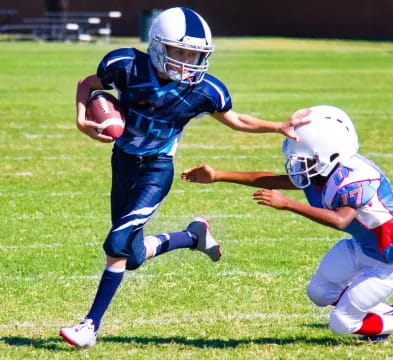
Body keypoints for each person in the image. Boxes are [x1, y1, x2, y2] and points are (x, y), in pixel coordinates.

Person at [59, 7, 308, 349]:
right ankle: (193, 236)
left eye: (195, 54)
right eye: (180, 52)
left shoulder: (205, 90)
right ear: (158, 46)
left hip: (157, 170)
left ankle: (89, 326)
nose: (187, 61)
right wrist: (81, 118)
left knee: (116, 245)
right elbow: (88, 84)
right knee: (130, 256)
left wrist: (277, 126)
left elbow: (236, 120)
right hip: (124, 163)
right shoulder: (126, 65)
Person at [181, 104, 393, 341]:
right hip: (364, 245)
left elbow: (340, 220)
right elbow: (271, 179)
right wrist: (218, 176)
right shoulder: (325, 170)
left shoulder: (355, 179)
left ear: (328, 152)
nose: (298, 163)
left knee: (342, 324)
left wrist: (289, 204)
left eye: (305, 158)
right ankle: (386, 315)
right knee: (320, 292)